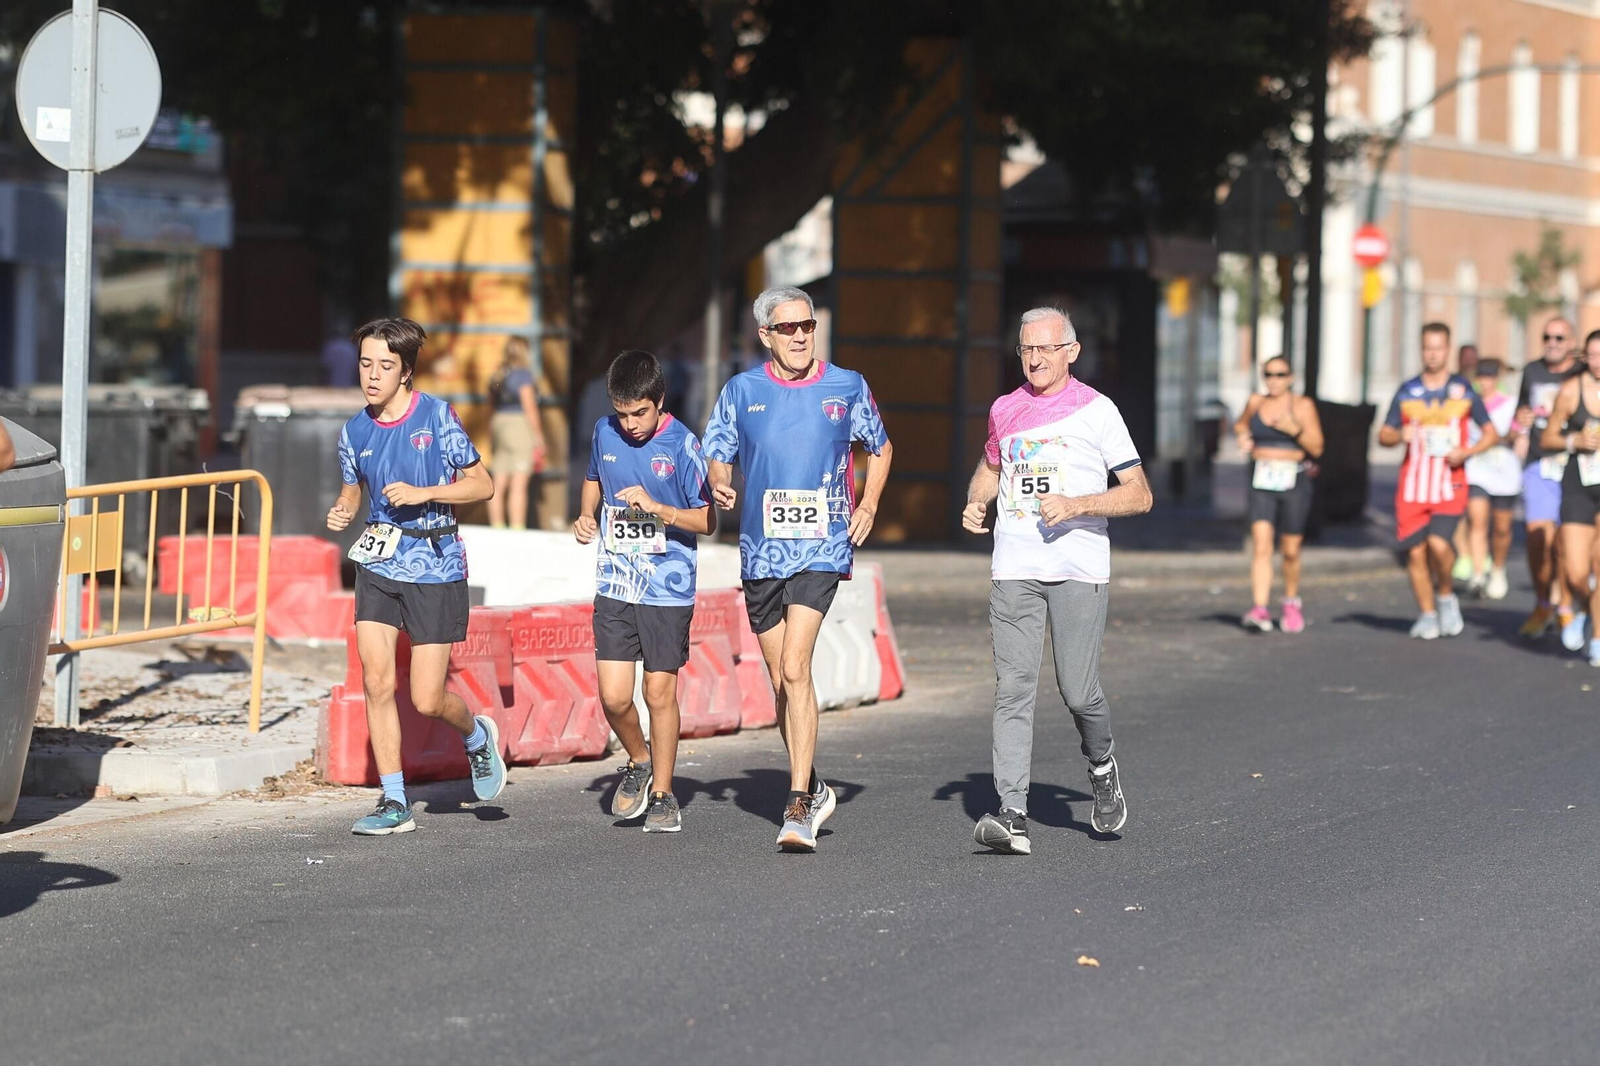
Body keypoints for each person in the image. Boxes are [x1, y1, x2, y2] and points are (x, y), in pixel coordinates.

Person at [703, 286, 893, 852]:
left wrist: (868, 505)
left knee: (794, 664)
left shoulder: (847, 385)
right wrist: (720, 481)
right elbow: (718, 449)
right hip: (761, 551)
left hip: (822, 545)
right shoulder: (742, 390)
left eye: (807, 325)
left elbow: (880, 446)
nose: (801, 336)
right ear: (766, 335)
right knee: (780, 681)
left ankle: (798, 801)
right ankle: (814, 781)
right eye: (788, 328)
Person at [961, 306, 1153, 856]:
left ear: (1071, 351)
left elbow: (1140, 494)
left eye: (1046, 348)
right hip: (1014, 568)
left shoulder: (1098, 410)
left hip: (1078, 568)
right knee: (1013, 690)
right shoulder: (1005, 408)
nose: (1035, 358)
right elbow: (991, 469)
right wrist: (977, 501)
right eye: (1026, 348)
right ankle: (1012, 814)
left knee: (1079, 692)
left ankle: (1102, 765)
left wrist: (1077, 504)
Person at [326, 317, 507, 835]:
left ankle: (475, 736)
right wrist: (342, 509)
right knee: (377, 682)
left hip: (435, 563)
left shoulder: (437, 416)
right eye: (365, 364)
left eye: (385, 366)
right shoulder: (354, 431)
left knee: (427, 698)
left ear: (406, 372)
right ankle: (394, 801)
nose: (372, 375)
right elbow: (352, 491)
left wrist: (425, 493)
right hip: (379, 562)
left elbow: (482, 485)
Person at [572, 350, 715, 833]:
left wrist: (659, 509)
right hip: (615, 580)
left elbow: (708, 519)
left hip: (667, 587)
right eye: (623, 414)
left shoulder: (683, 444)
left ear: (660, 401)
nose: (631, 425)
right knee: (614, 697)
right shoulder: (604, 432)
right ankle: (638, 758)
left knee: (658, 691)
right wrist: (586, 514)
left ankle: (664, 793)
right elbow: (593, 478)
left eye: (640, 413)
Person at [1377, 322, 1499, 640]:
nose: (1432, 354)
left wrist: (1466, 452)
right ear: (1421, 350)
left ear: (1447, 350)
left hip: (1449, 483)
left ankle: (1445, 595)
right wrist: (1398, 435)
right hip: (1413, 486)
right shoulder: (1407, 390)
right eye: (1427, 348)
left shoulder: (1463, 390)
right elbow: (1384, 434)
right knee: (1416, 553)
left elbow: (1491, 434)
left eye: (1438, 348)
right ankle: (1428, 614)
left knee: (1439, 544)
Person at [1233, 355, 1324, 633]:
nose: (1274, 380)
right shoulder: (1256, 402)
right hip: (1262, 480)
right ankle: (1260, 608)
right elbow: (1241, 425)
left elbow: (1317, 447)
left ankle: (1290, 601)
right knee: (1261, 545)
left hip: (1293, 480)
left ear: (1290, 378)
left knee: (1290, 550)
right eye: (1269, 375)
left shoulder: (1302, 405)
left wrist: (1295, 430)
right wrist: (1243, 438)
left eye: (1280, 375)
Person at [1515, 315, 1580, 638]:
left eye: (1559, 338)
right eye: (1547, 337)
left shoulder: (1582, 373)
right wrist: (1520, 422)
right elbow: (1521, 411)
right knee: (1537, 537)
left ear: (1572, 343)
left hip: (1573, 466)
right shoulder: (1532, 371)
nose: (1552, 344)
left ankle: (1564, 605)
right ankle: (1543, 603)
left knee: (1564, 543)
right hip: (1538, 462)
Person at [1541, 329, 1600, 663]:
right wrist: (1572, 441)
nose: (1597, 362)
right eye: (1592, 355)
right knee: (1577, 572)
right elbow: (1547, 437)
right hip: (1579, 485)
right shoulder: (1570, 390)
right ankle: (1586, 607)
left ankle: (1598, 640)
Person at [1462, 358, 1519, 599]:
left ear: (1497, 379)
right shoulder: (1469, 403)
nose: (1485, 382)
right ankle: (1477, 573)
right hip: (1477, 470)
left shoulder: (1510, 404)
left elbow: (1514, 434)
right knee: (1477, 520)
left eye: (1489, 377)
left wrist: (1506, 435)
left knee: (1502, 529)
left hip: (1504, 472)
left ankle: (1497, 568)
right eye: (1481, 377)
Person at [486, 335, 548, 530]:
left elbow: (491, 406)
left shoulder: (498, 375)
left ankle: (497, 524)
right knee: (519, 482)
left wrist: (491, 432)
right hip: (519, 425)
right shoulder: (523, 375)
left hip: (499, 424)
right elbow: (529, 406)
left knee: (499, 479)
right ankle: (517, 527)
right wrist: (539, 438)